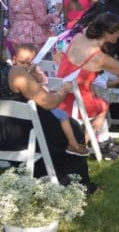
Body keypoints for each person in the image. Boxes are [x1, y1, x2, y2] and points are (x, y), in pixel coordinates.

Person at [56, 12, 119, 159]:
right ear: (107, 33)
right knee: (103, 106)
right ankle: (80, 145)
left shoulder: (79, 37)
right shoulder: (99, 58)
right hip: (74, 101)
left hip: (58, 93)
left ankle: (81, 142)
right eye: (118, 32)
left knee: (96, 94)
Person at [1, 60, 96, 192]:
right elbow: (49, 103)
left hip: (5, 138)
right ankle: (77, 183)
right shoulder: (14, 74)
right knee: (71, 128)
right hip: (22, 137)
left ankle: (42, 176)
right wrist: (63, 91)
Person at [12, 44, 89, 156]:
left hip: (40, 103)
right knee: (62, 115)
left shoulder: (32, 70)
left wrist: (33, 72)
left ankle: (73, 144)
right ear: (14, 59)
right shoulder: (14, 72)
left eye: (29, 63)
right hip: (32, 107)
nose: (25, 66)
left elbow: (43, 81)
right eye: (22, 62)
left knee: (63, 115)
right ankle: (74, 144)